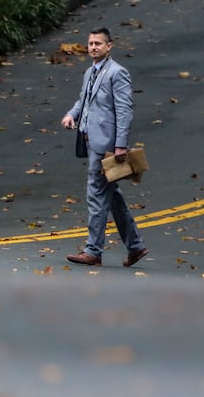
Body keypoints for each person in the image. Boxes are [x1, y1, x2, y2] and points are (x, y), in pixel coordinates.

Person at [61, 27, 149, 267]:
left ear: (109, 46)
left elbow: (124, 110)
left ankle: (93, 251)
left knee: (96, 195)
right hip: (90, 141)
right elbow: (84, 99)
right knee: (111, 197)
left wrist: (120, 144)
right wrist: (72, 115)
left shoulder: (117, 73)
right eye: (90, 43)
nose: (93, 47)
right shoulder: (90, 71)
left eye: (98, 43)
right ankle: (136, 246)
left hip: (106, 146)